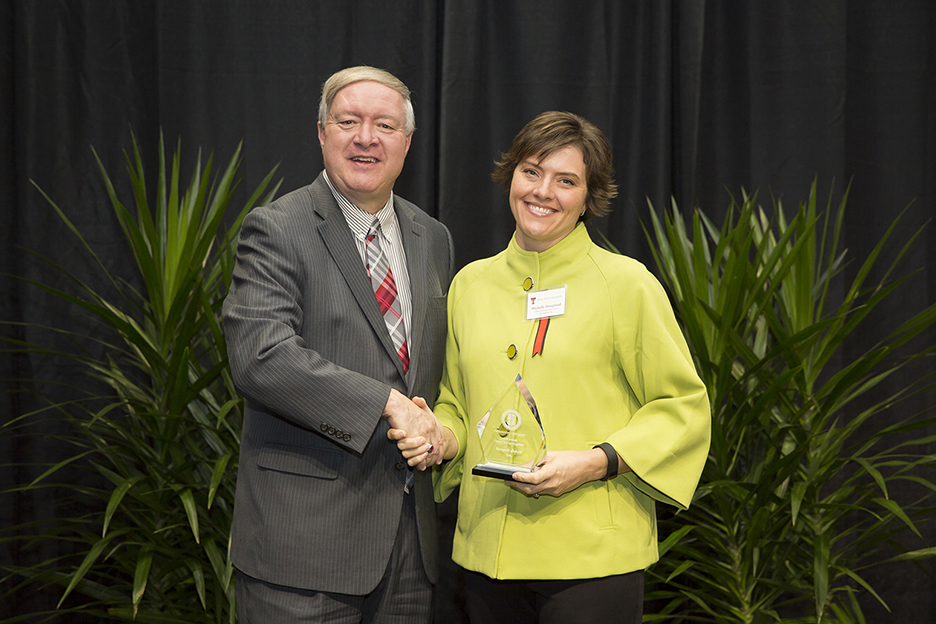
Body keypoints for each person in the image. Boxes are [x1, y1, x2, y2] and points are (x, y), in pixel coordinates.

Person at [392, 111, 711, 623]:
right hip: (485, 552)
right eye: (531, 171)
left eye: (567, 180)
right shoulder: (470, 285)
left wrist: (595, 462)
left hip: (592, 557)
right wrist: (439, 437)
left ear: (590, 196)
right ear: (511, 176)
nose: (543, 191)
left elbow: (684, 408)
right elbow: (455, 402)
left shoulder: (626, 285)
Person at [223, 66, 453, 623]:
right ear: (322, 132)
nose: (366, 137)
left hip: (412, 557)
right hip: (303, 553)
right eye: (348, 121)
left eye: (384, 125)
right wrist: (387, 403)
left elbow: (435, 370)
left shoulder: (433, 237)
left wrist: (443, 430)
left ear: (407, 141)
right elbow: (261, 357)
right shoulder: (277, 228)